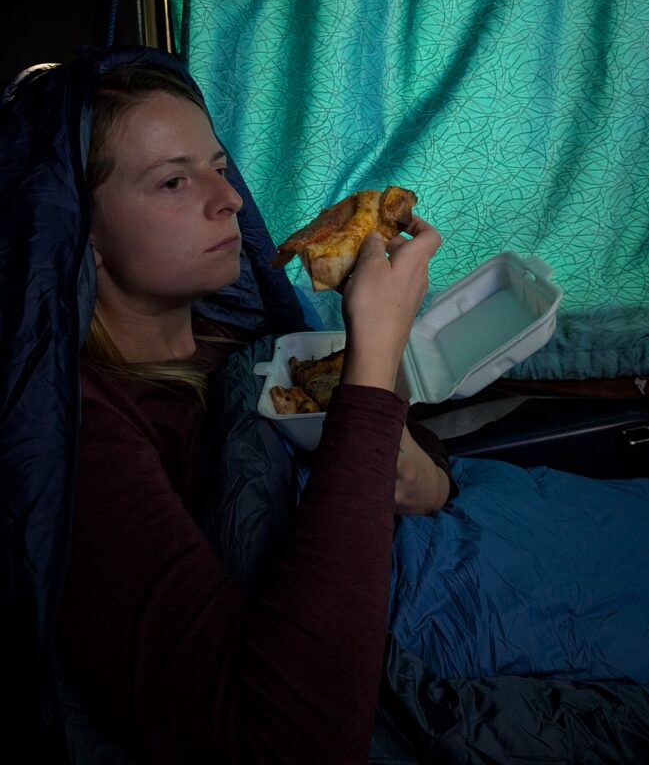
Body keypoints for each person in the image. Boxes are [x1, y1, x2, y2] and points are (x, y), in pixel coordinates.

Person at [58, 64, 446, 763]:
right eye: (174, 182)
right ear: (81, 231)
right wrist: (375, 354)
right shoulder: (86, 435)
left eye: (218, 167)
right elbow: (287, 743)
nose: (231, 198)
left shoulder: (237, 346)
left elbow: (410, 464)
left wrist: (427, 478)